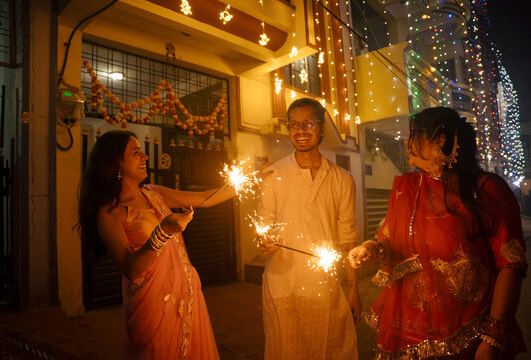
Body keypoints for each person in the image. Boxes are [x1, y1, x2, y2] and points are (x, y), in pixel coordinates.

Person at [348, 107, 527, 360]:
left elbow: (510, 264)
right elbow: (388, 241)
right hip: (407, 332)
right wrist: (370, 249)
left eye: (414, 135)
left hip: (470, 334)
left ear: (439, 141)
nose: (407, 142)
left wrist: (493, 338)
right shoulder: (406, 187)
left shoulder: (486, 189)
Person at [78, 130, 235, 360]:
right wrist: (163, 232)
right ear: (116, 163)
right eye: (136, 152)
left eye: (142, 151)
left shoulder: (154, 193)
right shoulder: (110, 212)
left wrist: (249, 181)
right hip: (153, 306)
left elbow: (204, 198)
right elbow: (130, 268)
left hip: (187, 296)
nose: (145, 157)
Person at [258, 98, 361, 360]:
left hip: (325, 289)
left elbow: (348, 239)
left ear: (322, 128)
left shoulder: (342, 179)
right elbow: (263, 226)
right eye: (294, 125)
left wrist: (353, 290)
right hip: (283, 287)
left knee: (333, 349)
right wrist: (264, 242)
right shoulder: (272, 174)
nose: (300, 130)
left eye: (308, 124)